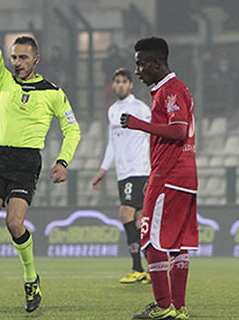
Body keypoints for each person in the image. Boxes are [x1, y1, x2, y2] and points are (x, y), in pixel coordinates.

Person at [0, 0, 81, 313]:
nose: (17, 62)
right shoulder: (1, 80)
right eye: (14, 57)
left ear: (36, 60)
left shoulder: (54, 93)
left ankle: (31, 277)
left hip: (27, 161)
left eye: (23, 57)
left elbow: (73, 128)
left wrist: (63, 160)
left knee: (15, 224)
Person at [120, 37, 197, 320]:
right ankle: (178, 309)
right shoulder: (174, 89)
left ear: (155, 63)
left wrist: (138, 124)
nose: (138, 71)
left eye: (140, 64)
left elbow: (178, 131)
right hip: (185, 176)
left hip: (168, 175)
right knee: (177, 245)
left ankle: (163, 307)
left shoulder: (171, 90)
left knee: (151, 241)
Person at [91, 68, 151, 284]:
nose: (120, 85)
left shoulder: (141, 109)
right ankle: (152, 268)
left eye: (124, 81)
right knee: (138, 221)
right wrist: (103, 169)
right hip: (123, 173)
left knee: (125, 213)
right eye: (117, 81)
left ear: (131, 85)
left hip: (139, 171)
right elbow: (112, 143)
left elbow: (152, 136)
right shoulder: (113, 110)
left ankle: (137, 268)